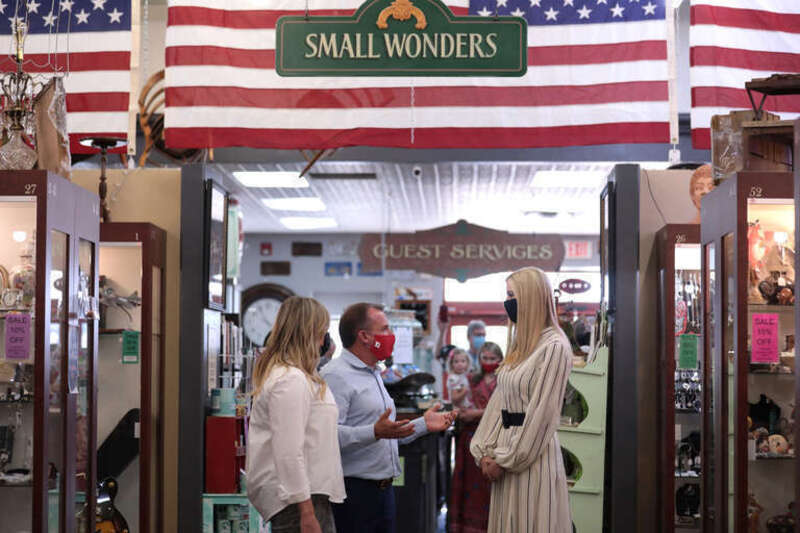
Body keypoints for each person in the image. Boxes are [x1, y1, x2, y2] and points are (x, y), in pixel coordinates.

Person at [321, 302, 457, 533]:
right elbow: (327, 435)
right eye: (384, 329)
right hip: (354, 493)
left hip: (384, 492)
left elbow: (387, 433)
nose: (392, 336)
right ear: (364, 336)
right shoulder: (336, 375)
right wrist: (374, 431)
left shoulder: (373, 372)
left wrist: (423, 424)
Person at [470, 267, 573, 533]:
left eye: (512, 295)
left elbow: (542, 415)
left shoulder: (554, 347)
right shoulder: (522, 343)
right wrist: (483, 451)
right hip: (503, 457)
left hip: (530, 459)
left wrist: (506, 460)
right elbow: (499, 403)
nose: (507, 303)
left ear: (529, 298)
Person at [247, 296, 345, 533]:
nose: (324, 340)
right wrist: (307, 512)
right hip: (298, 500)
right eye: (322, 332)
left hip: (306, 495)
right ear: (309, 333)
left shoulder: (300, 376)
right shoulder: (290, 379)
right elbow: (288, 452)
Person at [448, 341, 504, 533]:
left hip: (494, 442)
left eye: (492, 358)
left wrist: (477, 414)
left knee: (489, 487)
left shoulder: (504, 380)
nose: (488, 361)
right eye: (484, 358)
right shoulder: (470, 379)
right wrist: (461, 412)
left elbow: (503, 410)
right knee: (468, 488)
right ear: (479, 359)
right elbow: (455, 399)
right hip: (469, 439)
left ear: (500, 360)